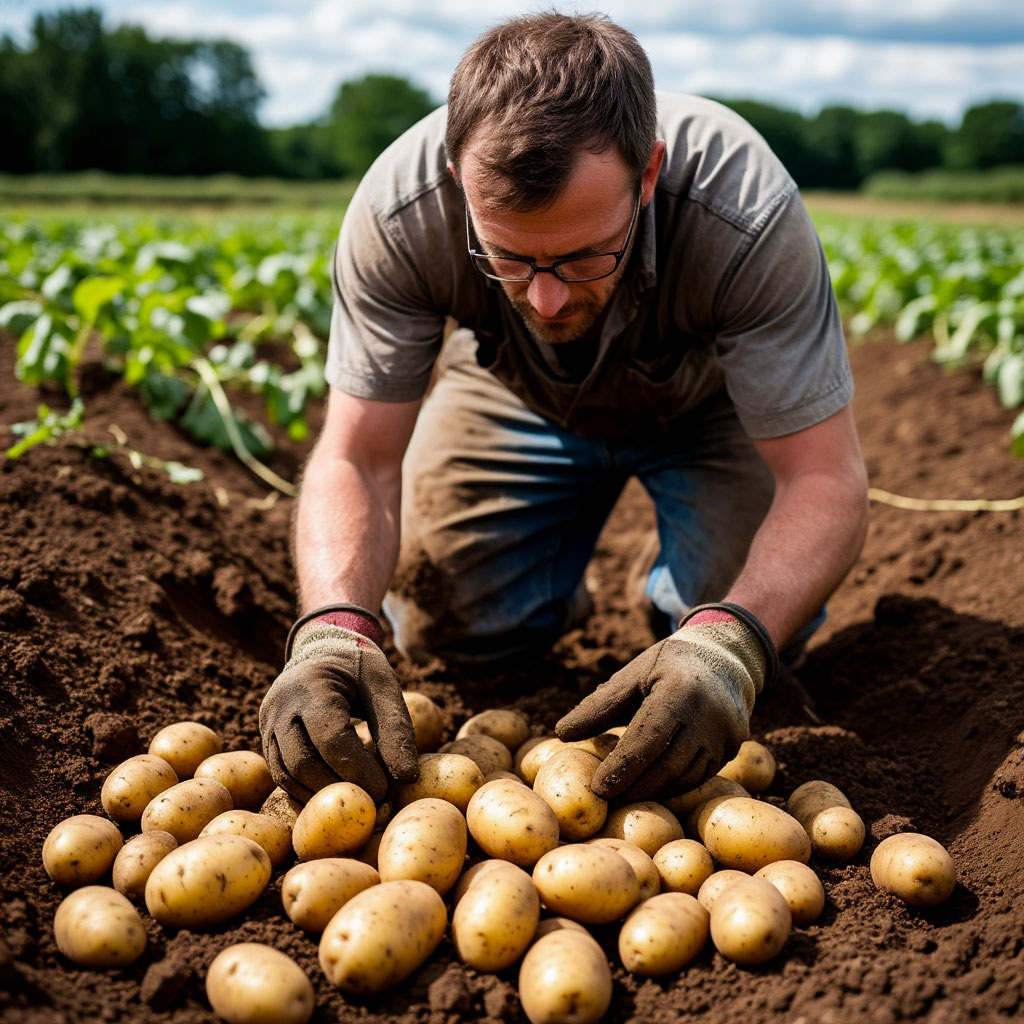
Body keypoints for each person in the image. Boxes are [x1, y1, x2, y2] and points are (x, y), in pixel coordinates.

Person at [259, 12, 869, 806]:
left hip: (710, 408)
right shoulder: (397, 215)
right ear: (455, 175)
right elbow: (359, 455)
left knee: (736, 639)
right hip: (514, 395)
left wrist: (731, 642)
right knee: (448, 620)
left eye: (586, 255)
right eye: (508, 258)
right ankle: (550, 579)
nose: (545, 299)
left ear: (647, 176)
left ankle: (677, 604)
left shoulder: (742, 211)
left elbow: (826, 478)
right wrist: (332, 629)